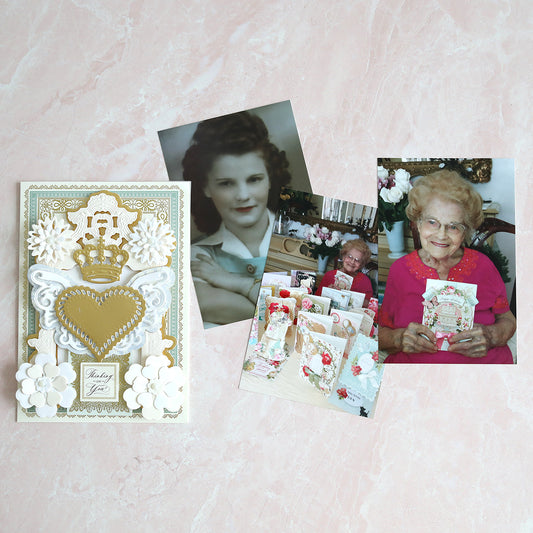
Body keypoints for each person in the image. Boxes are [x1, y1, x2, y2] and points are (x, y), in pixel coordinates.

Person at [379, 170, 516, 363]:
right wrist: (398, 338)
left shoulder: (484, 266)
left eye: (453, 226)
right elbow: (380, 331)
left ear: (465, 231)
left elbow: (508, 320)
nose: (442, 235)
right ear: (418, 223)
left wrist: (492, 336)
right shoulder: (399, 270)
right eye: (432, 222)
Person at [183, 111, 292, 327]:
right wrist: (290, 312)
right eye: (226, 183)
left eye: (254, 179)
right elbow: (207, 305)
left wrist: (238, 284)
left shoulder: (301, 238)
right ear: (205, 187)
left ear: (270, 178)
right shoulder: (198, 255)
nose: (242, 195)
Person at [315, 239, 374, 305]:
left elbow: (369, 306)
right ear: (343, 257)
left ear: (361, 264)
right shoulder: (329, 275)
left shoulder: (365, 281)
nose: (352, 262)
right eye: (350, 257)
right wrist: (327, 292)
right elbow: (317, 299)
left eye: (357, 260)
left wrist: (353, 298)